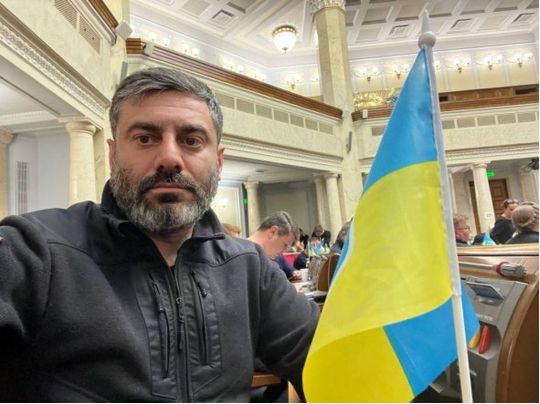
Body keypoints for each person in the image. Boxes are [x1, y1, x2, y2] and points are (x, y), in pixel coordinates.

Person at [0, 67, 319, 402]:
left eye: (191, 141)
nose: (169, 158)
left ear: (219, 161)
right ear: (113, 154)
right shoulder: (36, 251)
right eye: (145, 139)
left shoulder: (249, 267)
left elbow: (331, 361)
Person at [248, 211, 302, 281]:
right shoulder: (244, 257)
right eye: (285, 245)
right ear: (272, 232)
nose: (284, 251)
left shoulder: (263, 257)